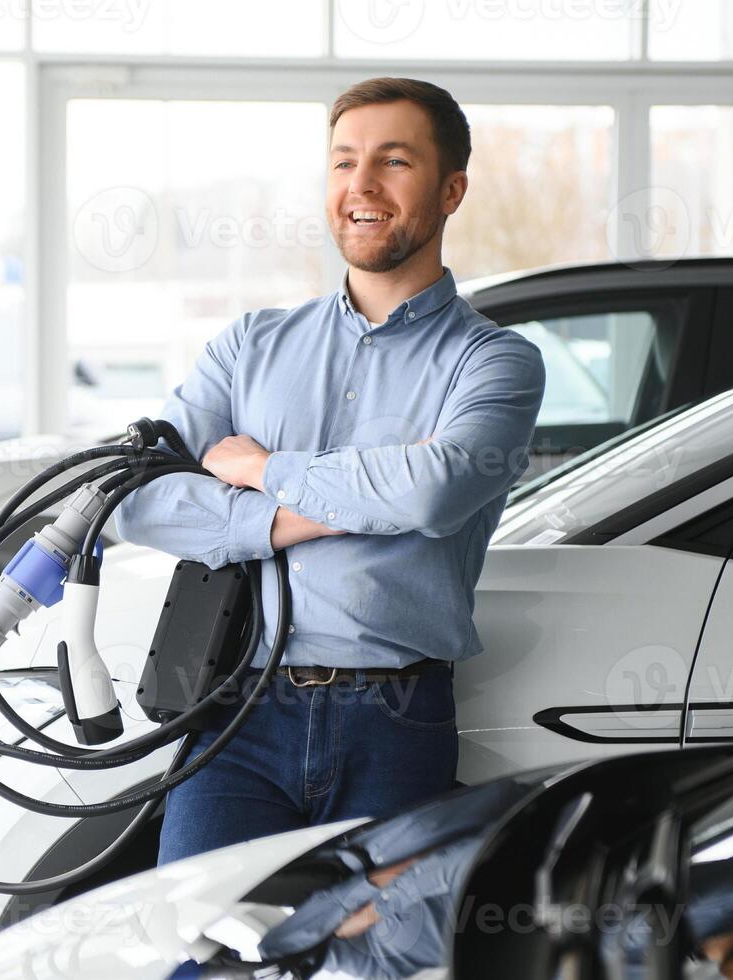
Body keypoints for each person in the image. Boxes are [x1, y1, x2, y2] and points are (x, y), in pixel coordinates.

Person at [113, 76, 547, 866]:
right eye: (343, 163)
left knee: (375, 958)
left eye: (393, 162)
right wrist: (282, 516)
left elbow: (437, 487)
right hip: (235, 712)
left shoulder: (495, 362)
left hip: (395, 717)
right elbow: (133, 498)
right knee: (201, 944)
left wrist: (260, 467)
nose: (361, 186)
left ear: (451, 189)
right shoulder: (251, 344)